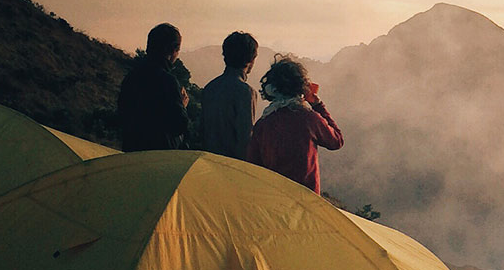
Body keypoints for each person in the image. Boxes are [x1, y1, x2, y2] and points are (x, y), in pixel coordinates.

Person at [247, 56, 343, 193]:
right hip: (306, 200)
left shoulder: (263, 124)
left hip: (275, 198)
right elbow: (336, 141)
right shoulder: (309, 119)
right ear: (301, 87)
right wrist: (318, 105)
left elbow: (253, 165)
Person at [117, 23, 190, 151]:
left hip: (132, 151)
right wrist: (182, 106)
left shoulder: (131, 77)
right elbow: (179, 125)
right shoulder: (167, 81)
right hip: (159, 155)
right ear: (173, 49)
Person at [200, 31, 259, 159]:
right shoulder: (245, 92)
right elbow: (245, 138)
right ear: (251, 60)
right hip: (232, 165)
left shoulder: (210, 88)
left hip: (208, 161)